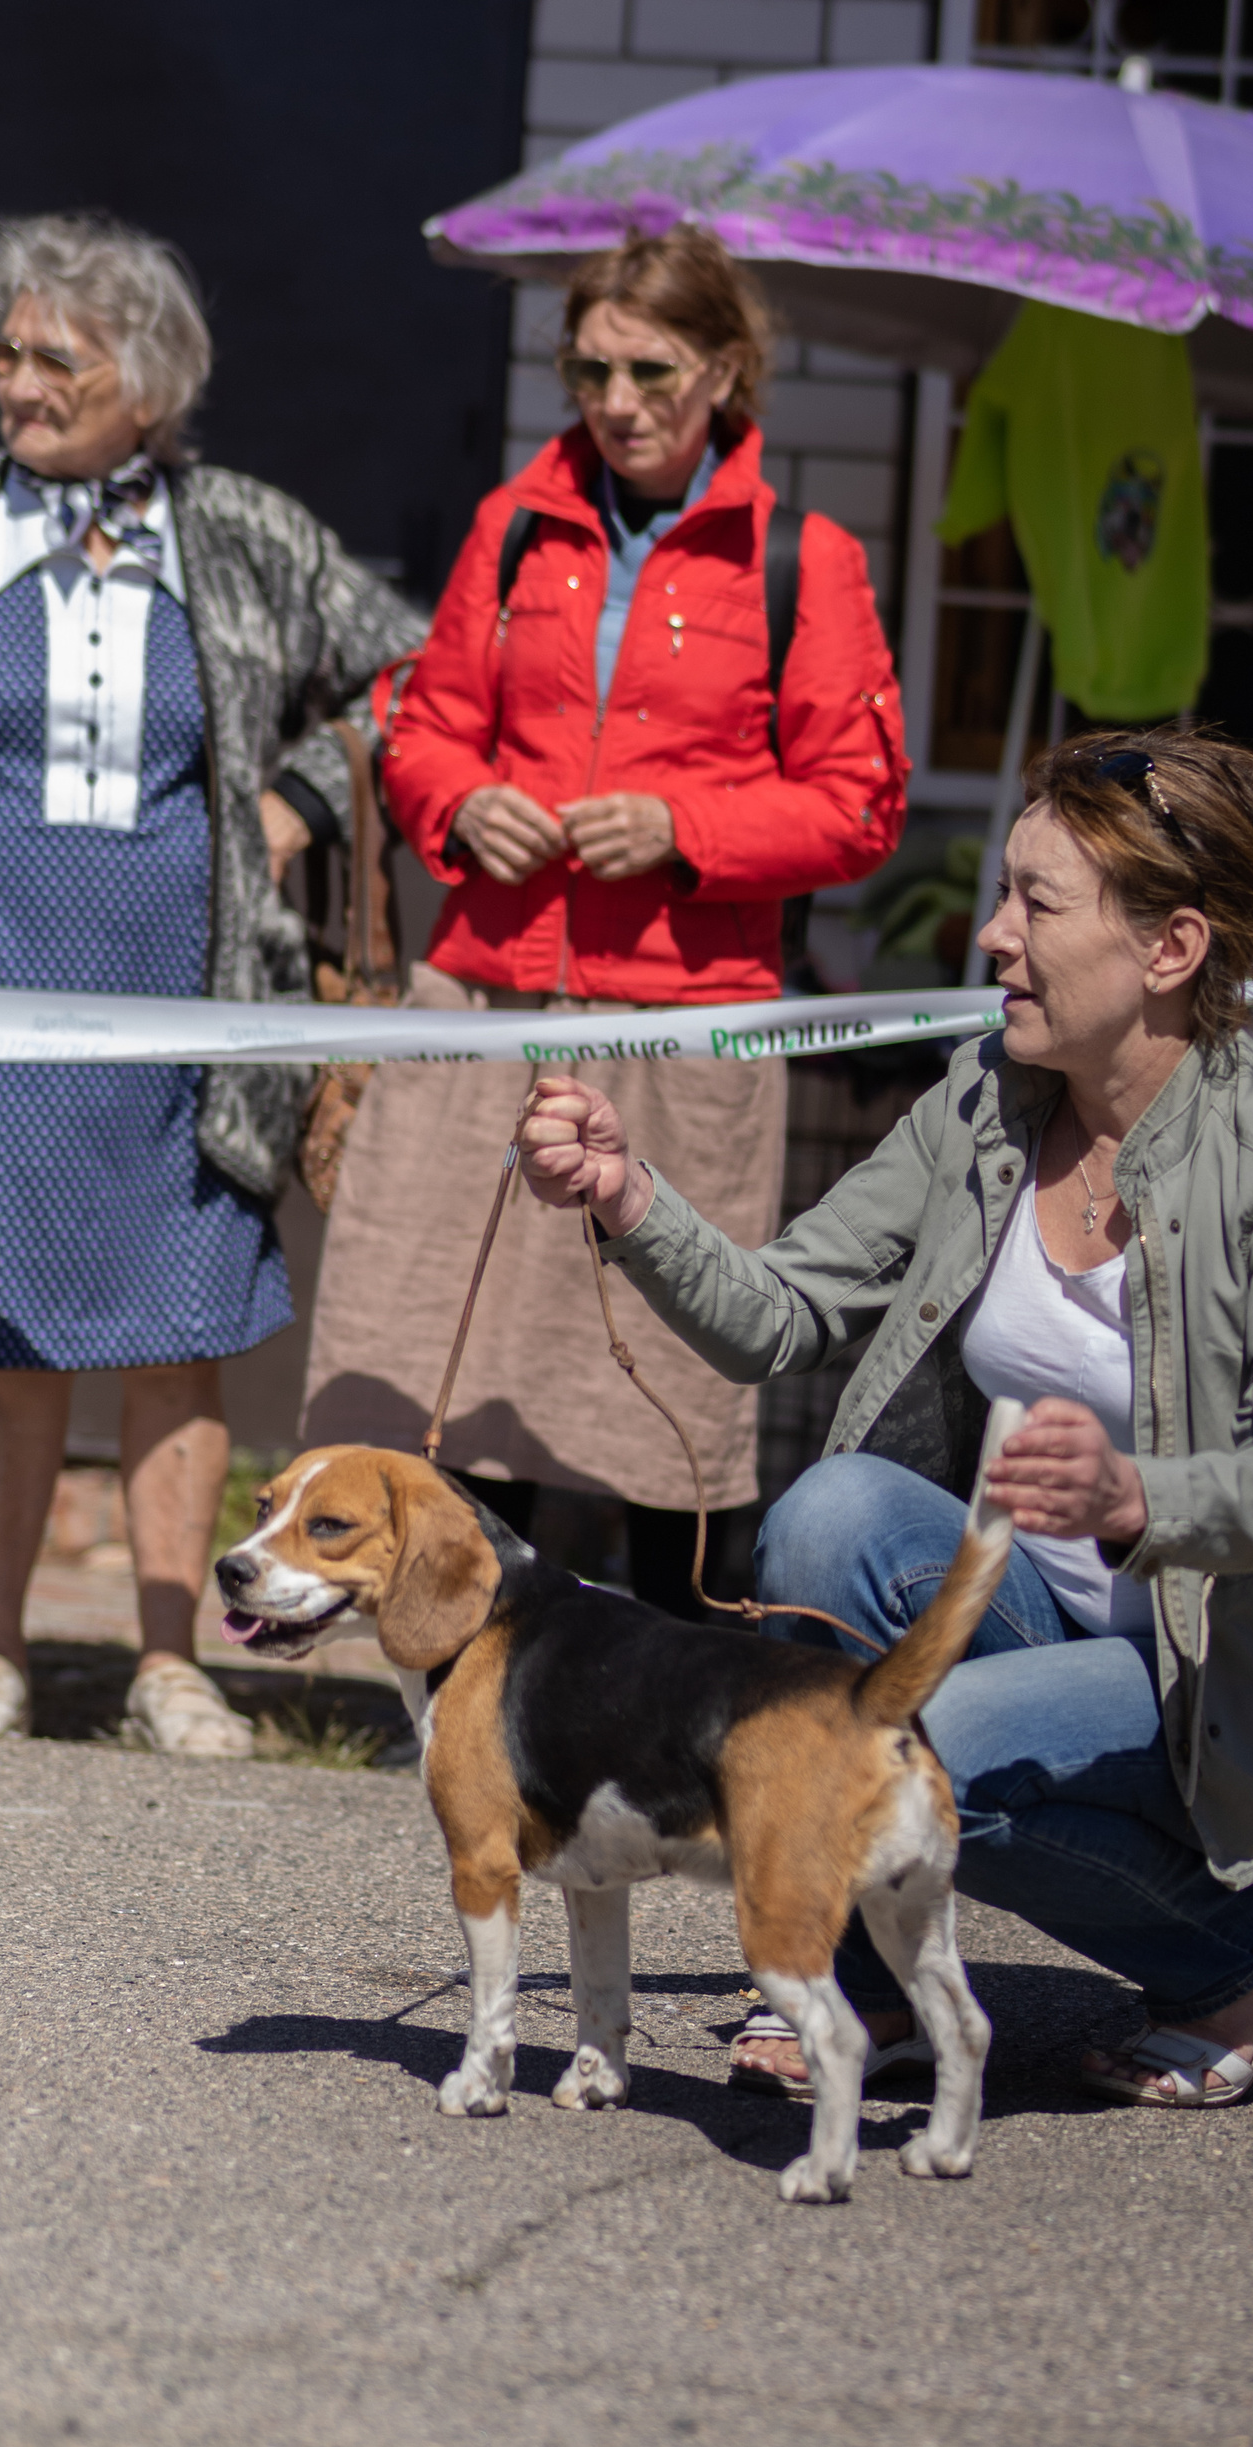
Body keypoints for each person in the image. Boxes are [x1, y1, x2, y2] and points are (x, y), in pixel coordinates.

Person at [518, 728, 1253, 2108]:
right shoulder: (985, 1098)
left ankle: (1240, 1955)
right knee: (827, 1517)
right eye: (1004, 892)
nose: (993, 934)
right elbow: (775, 1315)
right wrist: (629, 1198)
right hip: (1040, 1620)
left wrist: (1135, 1499)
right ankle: (874, 1987)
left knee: (903, 1760)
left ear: (1171, 949)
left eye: (1037, 904)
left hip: (1233, 1680)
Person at [0, 213, 423, 1753]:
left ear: (149, 385)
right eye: (4, 352)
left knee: (177, 1336)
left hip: (190, 1007)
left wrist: (301, 797)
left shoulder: (244, 535)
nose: (18, 383)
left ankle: (170, 1664)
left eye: (56, 360)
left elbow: (418, 675)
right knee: (7, 1337)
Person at [299, 227, 906, 1613]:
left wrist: (687, 833)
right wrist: (462, 805)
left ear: (727, 372)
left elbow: (860, 803)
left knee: (669, 1389)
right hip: (487, 1000)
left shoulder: (805, 559)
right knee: (458, 1373)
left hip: (683, 1025)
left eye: (651, 370)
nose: (616, 401)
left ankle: (685, 1692)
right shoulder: (512, 525)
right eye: (589, 370)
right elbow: (423, 729)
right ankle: (467, 1678)